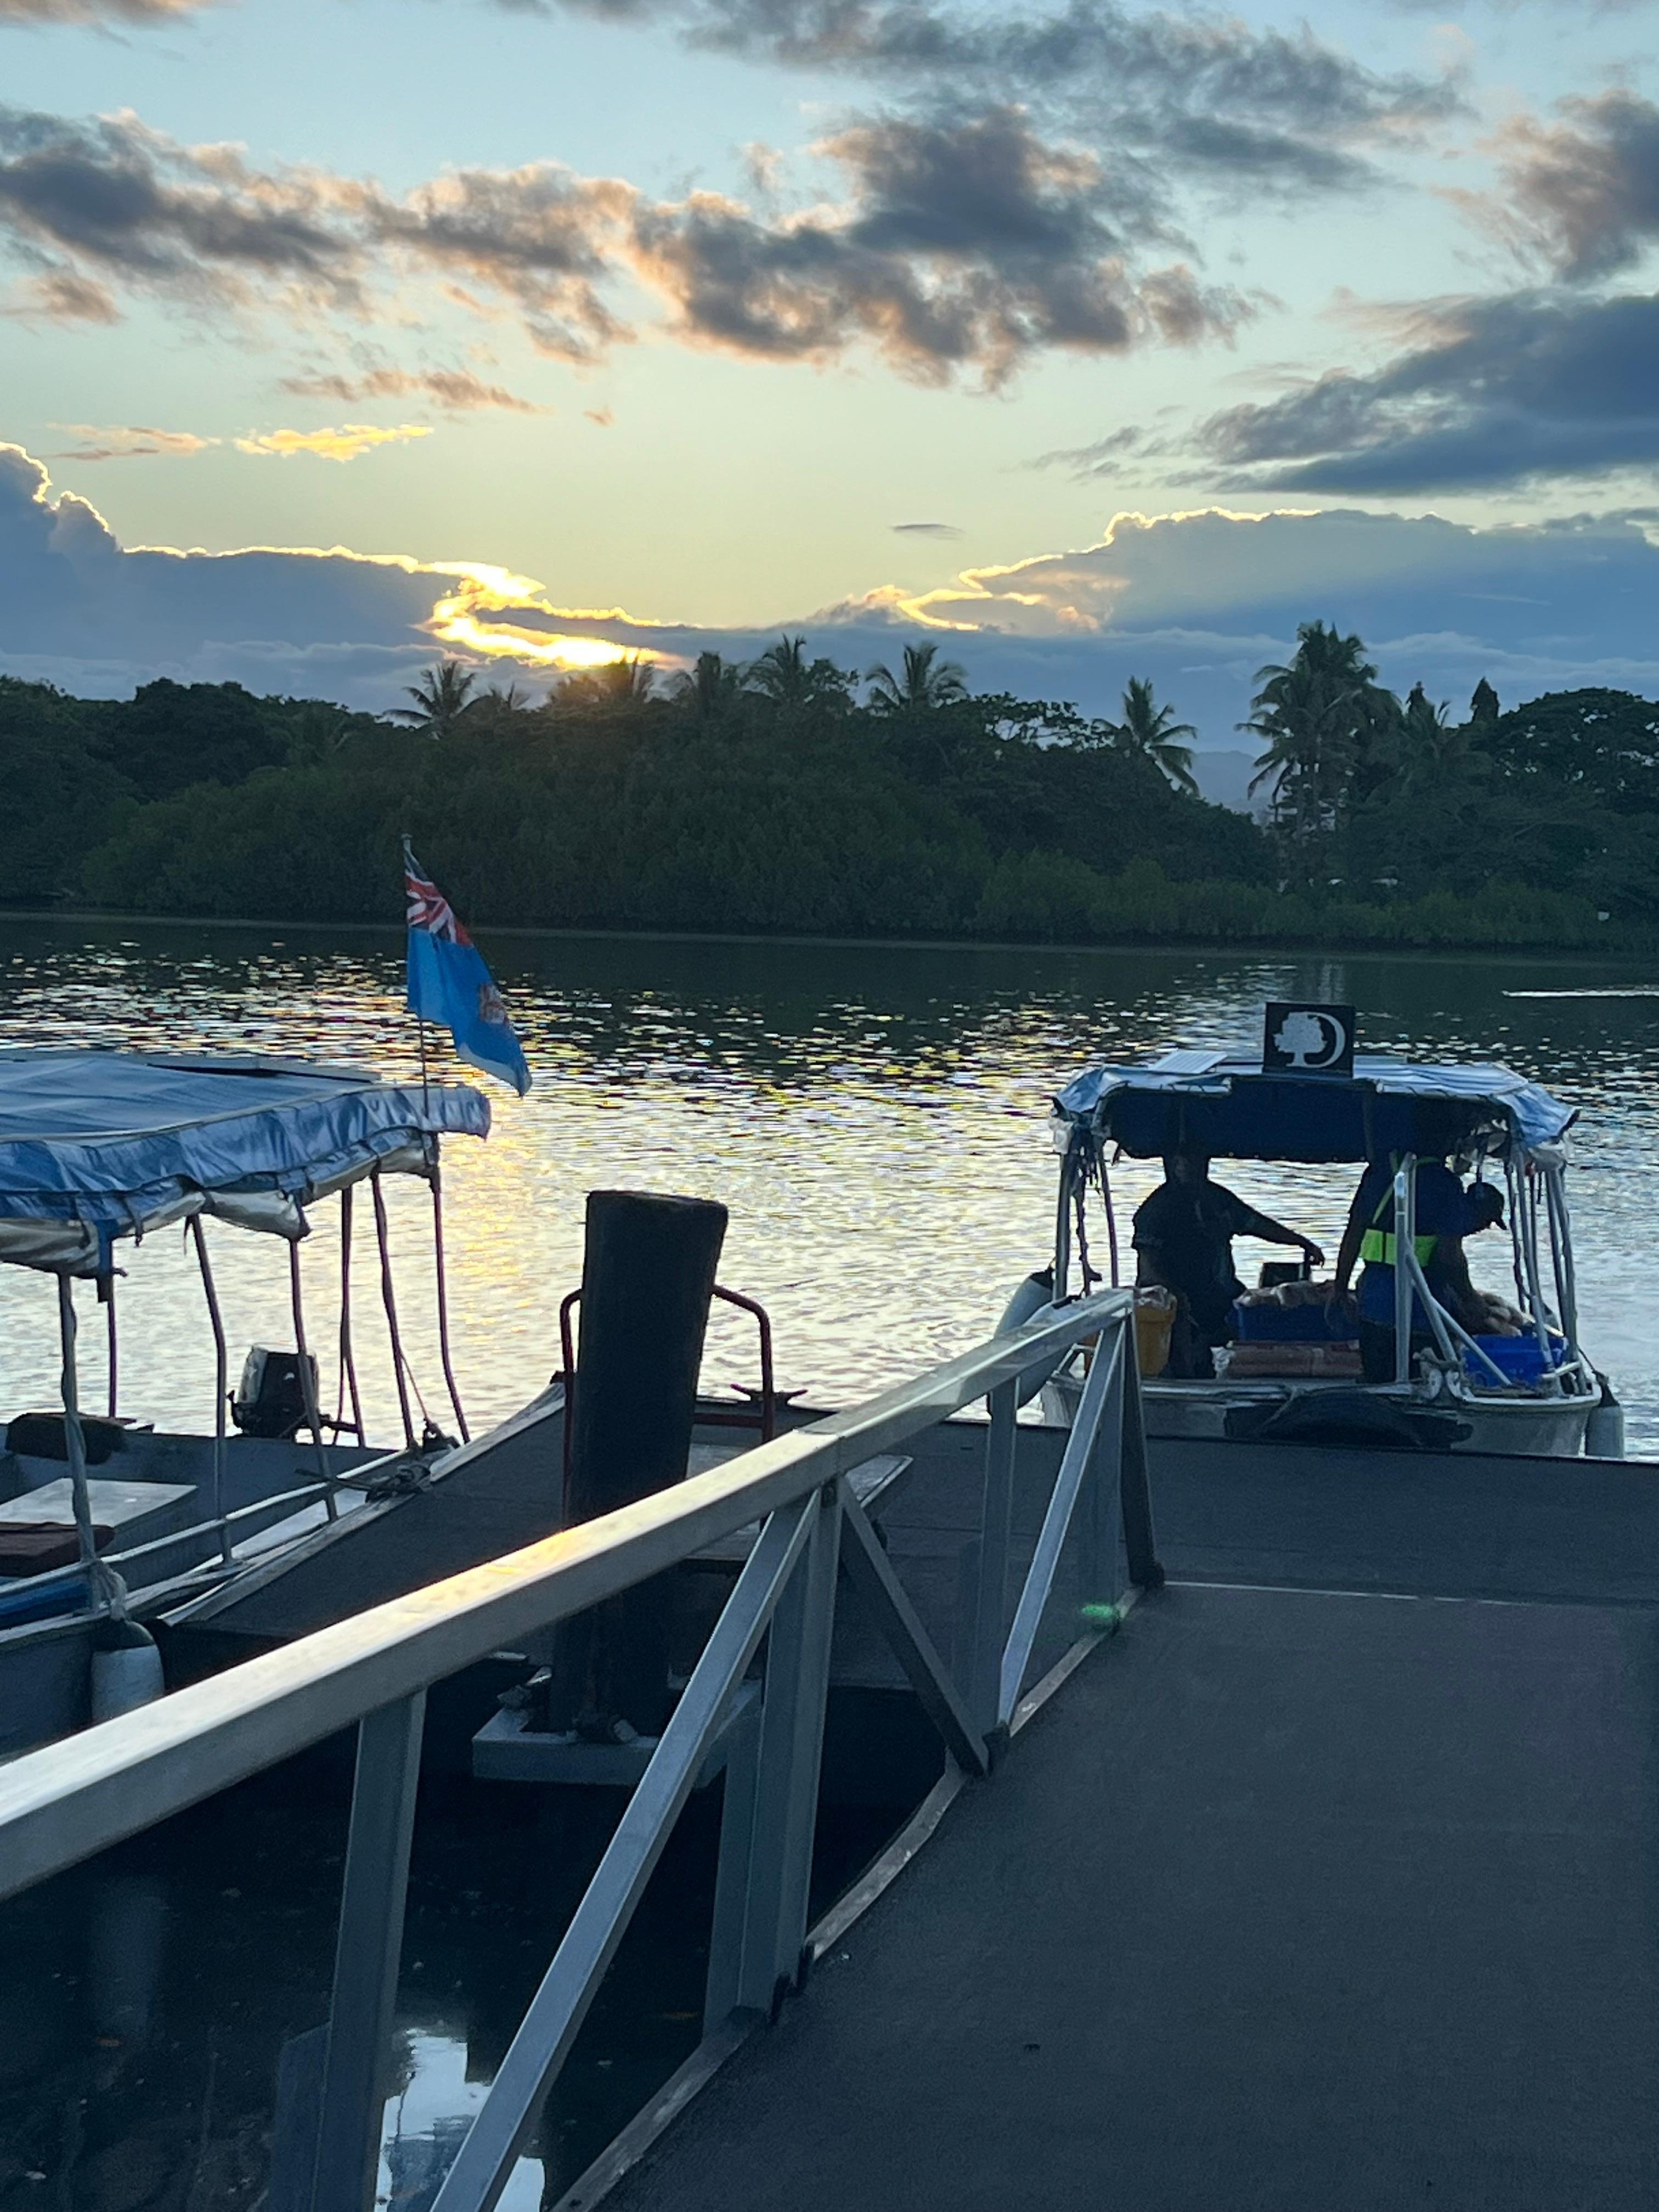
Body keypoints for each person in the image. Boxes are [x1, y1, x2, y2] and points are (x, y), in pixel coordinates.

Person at [1133, 1153, 1325, 1379]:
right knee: (1180, 1325)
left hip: (1221, 1291)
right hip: (1177, 1297)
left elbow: (1256, 1224)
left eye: (1196, 1160)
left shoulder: (1217, 1200)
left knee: (1256, 1312)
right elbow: (1147, 1270)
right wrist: (1176, 1298)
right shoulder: (1155, 1210)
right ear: (1170, 1165)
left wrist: (1301, 1241)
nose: (1189, 1167)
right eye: (1182, 1161)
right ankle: (1187, 1378)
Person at [1333, 1158, 1503, 1384]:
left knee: (1378, 1377)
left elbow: (1353, 1235)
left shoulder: (1378, 1175)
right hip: (1422, 1310)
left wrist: (1340, 1290)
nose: (1484, 1228)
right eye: (1487, 1222)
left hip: (1375, 1304)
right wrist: (1469, 1299)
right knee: (1425, 1378)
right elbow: (1449, 1255)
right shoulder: (1445, 1184)